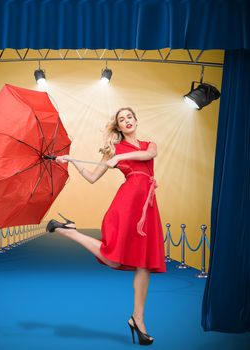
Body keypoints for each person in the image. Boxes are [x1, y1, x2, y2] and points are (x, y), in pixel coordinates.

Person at [46, 107, 166, 345]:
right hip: (128, 204)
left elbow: (148, 156)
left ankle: (138, 319)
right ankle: (69, 231)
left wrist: (119, 158)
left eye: (129, 117)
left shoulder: (147, 144)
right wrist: (72, 161)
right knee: (113, 259)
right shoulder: (113, 149)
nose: (127, 121)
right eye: (122, 120)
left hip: (148, 206)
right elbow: (91, 177)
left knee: (144, 264)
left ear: (135, 120)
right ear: (118, 128)